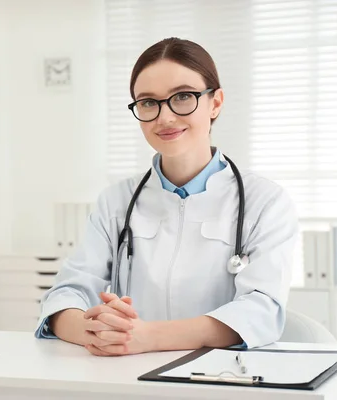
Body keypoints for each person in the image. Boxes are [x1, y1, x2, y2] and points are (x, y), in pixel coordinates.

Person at [34, 37, 299, 356]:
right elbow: (65, 295)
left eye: (183, 97)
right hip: (126, 374)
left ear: (215, 102)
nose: (165, 117)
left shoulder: (265, 201)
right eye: (148, 102)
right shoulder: (116, 201)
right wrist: (93, 331)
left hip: (223, 377)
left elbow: (262, 310)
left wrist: (149, 337)